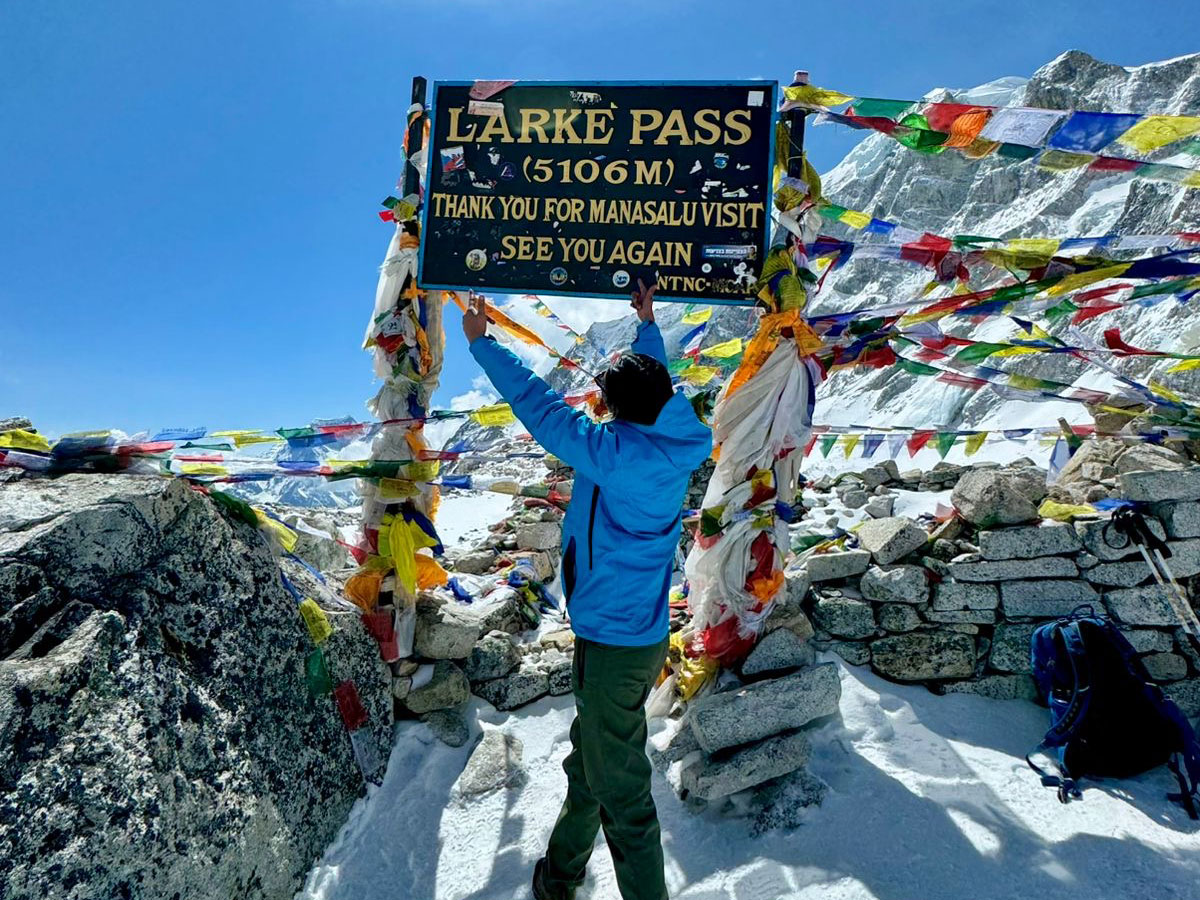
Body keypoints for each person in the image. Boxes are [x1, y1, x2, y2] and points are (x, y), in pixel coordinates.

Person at [462, 280, 713, 900]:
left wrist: (483, 346)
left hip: (612, 642)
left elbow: (542, 408)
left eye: (604, 401)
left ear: (620, 411)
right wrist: (647, 323)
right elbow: (655, 377)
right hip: (635, 631)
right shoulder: (673, 430)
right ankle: (559, 877)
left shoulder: (614, 454)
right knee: (590, 767)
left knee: (623, 796)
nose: (597, 408)